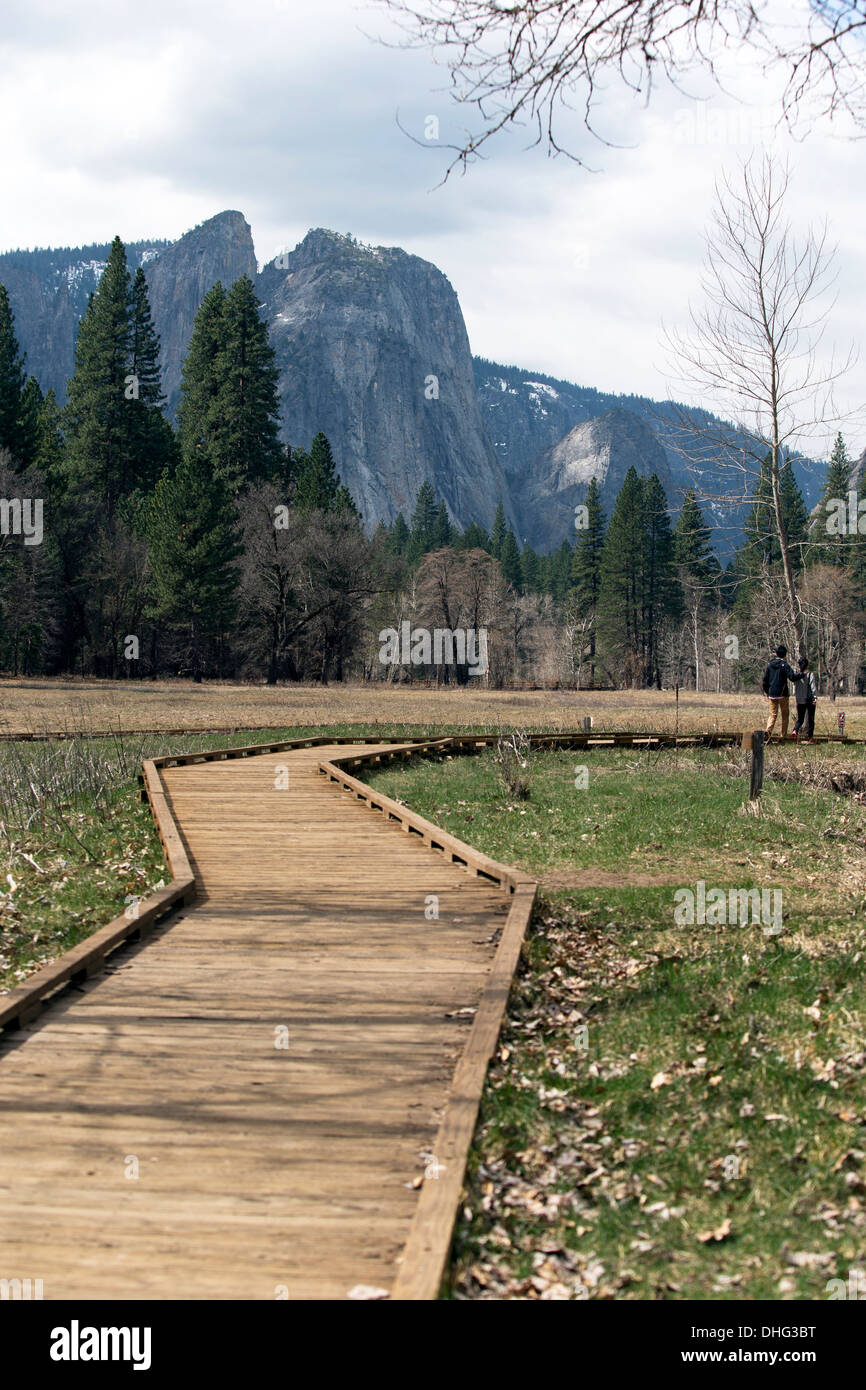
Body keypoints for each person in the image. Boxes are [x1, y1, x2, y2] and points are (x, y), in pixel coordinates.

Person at [762, 644, 802, 741]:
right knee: (785, 714)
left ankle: (768, 730)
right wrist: (801, 674)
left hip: (772, 693)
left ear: (776, 654)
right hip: (783, 693)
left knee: (773, 714)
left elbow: (765, 680)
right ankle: (783, 735)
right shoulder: (785, 665)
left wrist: (767, 691)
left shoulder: (770, 665)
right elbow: (792, 677)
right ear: (785, 655)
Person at [793, 656, 818, 743]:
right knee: (811, 719)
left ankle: (795, 730)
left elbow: (794, 688)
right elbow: (813, 687)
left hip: (799, 699)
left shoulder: (796, 675)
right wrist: (815, 697)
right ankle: (810, 738)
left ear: (799, 665)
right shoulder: (810, 674)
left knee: (800, 719)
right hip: (809, 699)